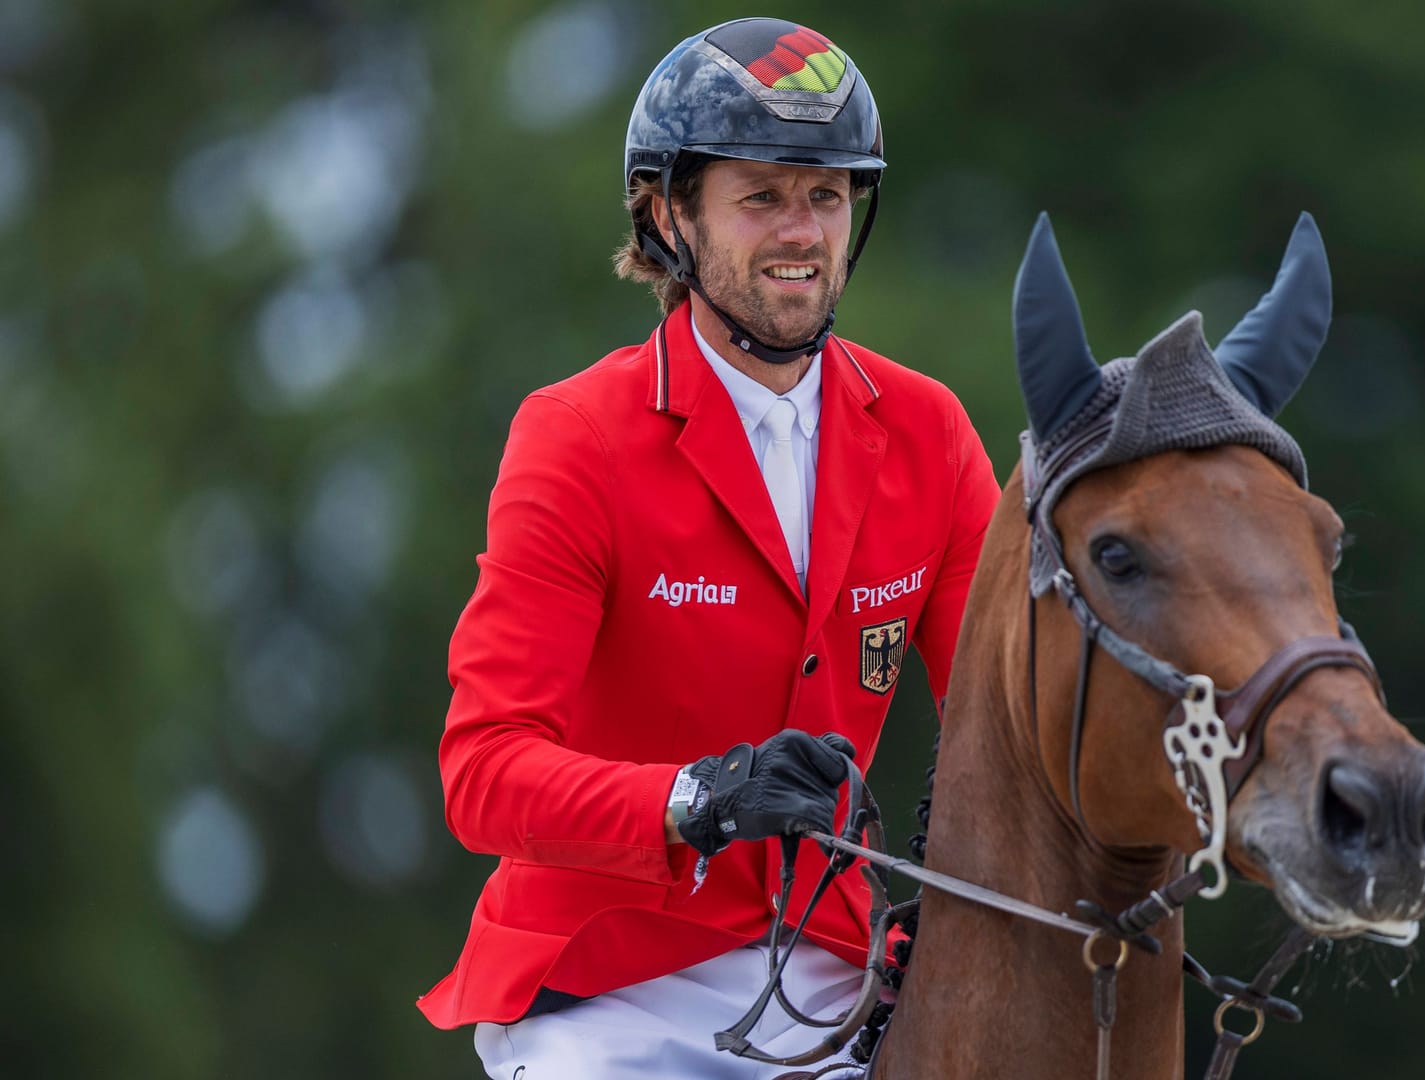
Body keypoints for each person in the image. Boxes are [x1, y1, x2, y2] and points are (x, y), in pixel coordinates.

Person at [415, 17, 1001, 1077]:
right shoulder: (578, 435)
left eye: (826, 196)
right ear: (667, 214)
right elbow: (483, 772)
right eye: (762, 196)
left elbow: (1011, 725)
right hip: (604, 994)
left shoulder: (931, 433)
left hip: (831, 977)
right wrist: (698, 799)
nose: (803, 232)